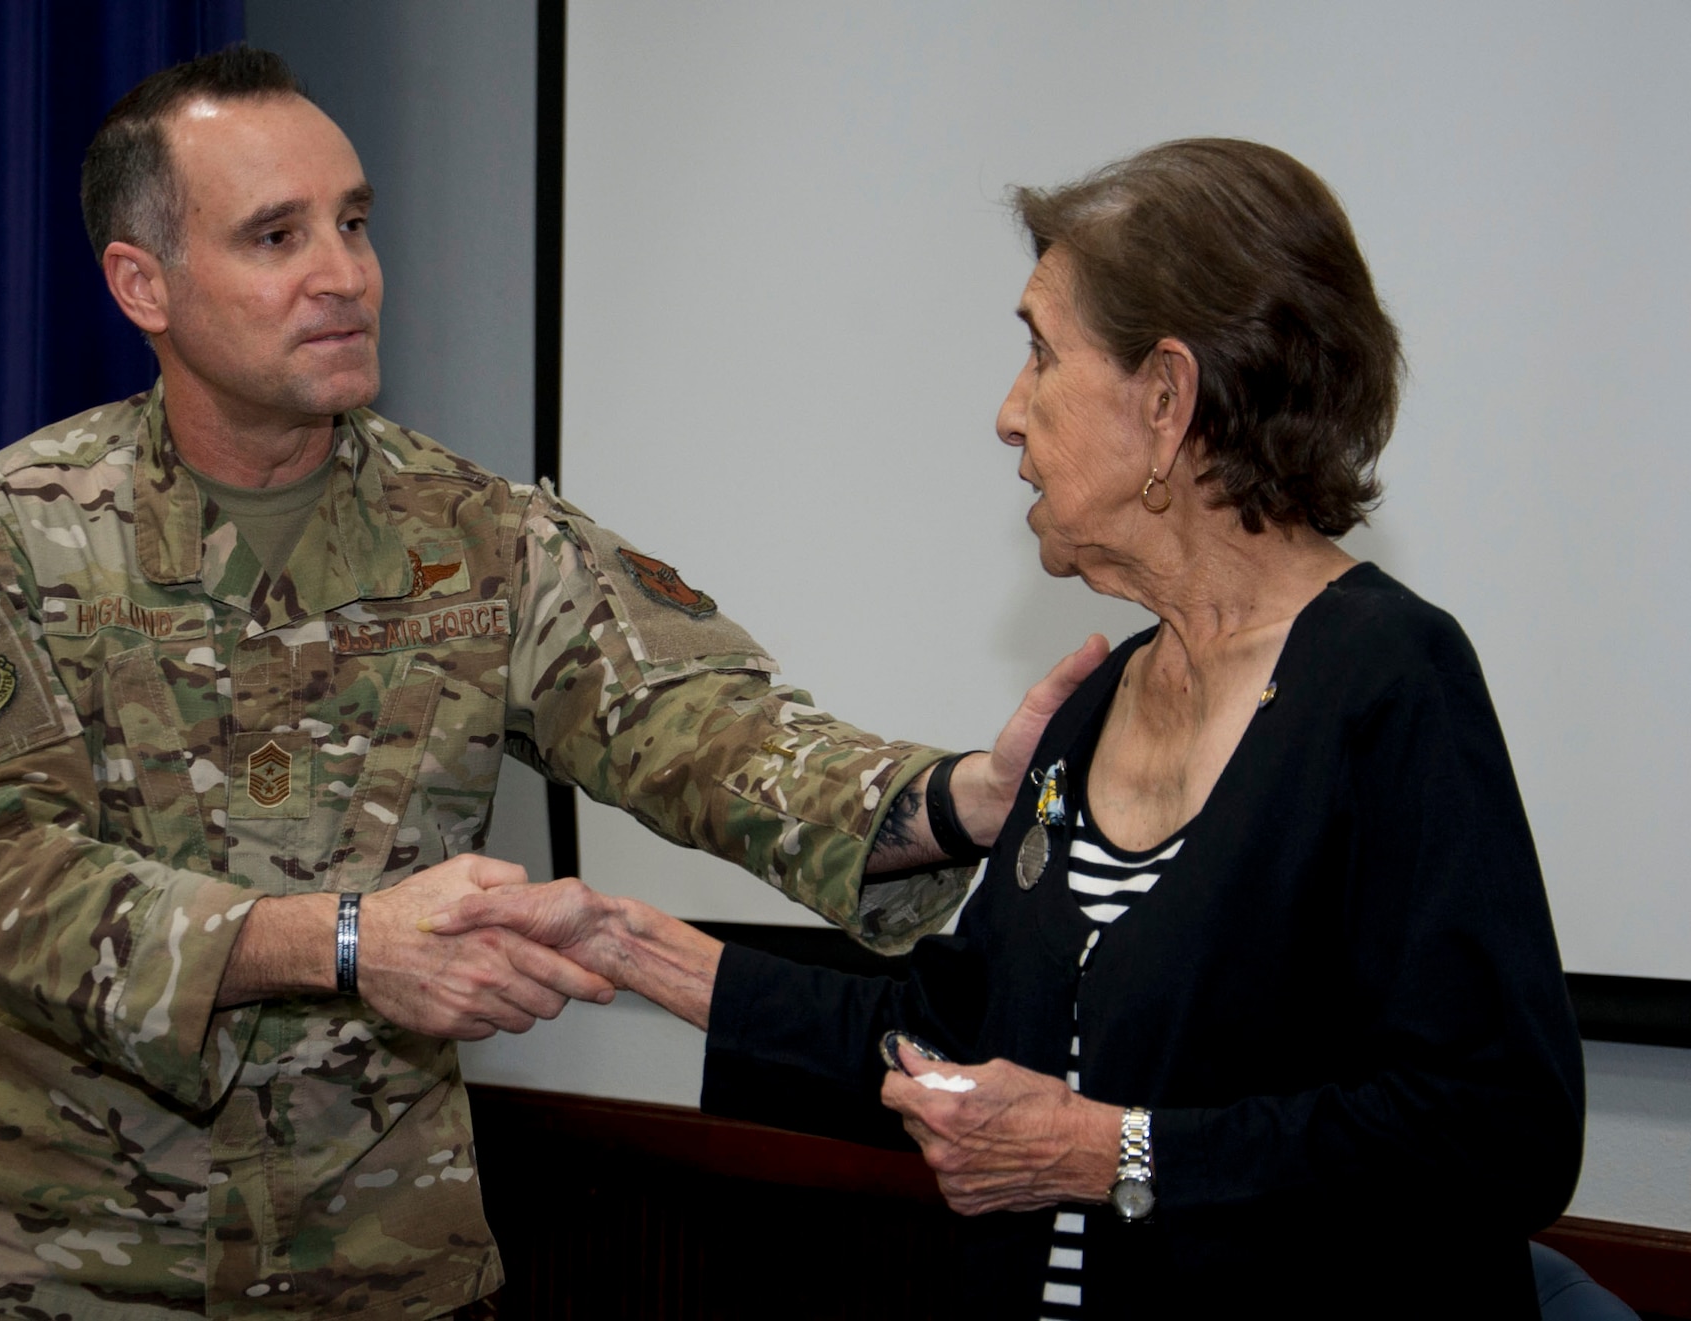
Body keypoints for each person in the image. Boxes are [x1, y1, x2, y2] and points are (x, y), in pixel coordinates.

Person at [0, 48, 1079, 1320]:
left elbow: (705, 732)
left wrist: (951, 799)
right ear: (142, 284)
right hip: (56, 1276)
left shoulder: (482, 537)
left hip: (384, 1274)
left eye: (353, 223)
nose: (343, 273)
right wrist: (341, 942)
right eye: (276, 236)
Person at [427, 139, 1587, 1316]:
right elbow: (950, 1042)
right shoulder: (1102, 695)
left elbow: (1496, 1131)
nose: (1005, 411)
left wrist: (1117, 1154)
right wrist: (629, 946)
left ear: (1167, 397)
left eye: (1039, 352)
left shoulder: (1387, 679)